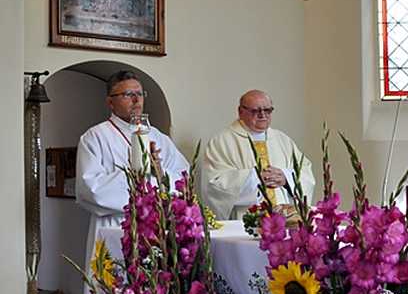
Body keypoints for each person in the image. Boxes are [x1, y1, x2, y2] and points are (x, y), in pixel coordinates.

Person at [76, 70, 189, 275]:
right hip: (115, 226)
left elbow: (184, 179)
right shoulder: (95, 137)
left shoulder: (158, 137)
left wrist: (159, 172)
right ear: (110, 102)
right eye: (128, 94)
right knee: (116, 292)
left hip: (156, 228)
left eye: (140, 94)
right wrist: (137, 173)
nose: (137, 100)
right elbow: (90, 190)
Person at [202, 90, 314, 219]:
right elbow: (213, 184)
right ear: (240, 111)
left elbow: (305, 172)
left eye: (267, 110)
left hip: (284, 220)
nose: (262, 115)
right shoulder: (222, 142)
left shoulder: (283, 140)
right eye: (255, 111)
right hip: (245, 220)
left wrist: (286, 177)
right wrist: (255, 179)